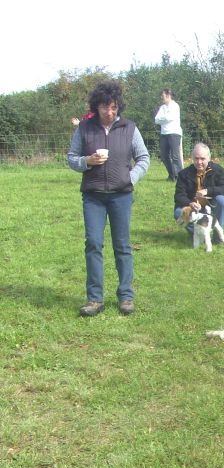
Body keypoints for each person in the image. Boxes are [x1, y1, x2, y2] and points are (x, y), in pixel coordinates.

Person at [67, 80, 150, 317]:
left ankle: (126, 296)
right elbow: (71, 158)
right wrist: (87, 161)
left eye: (114, 107)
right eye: (105, 107)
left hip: (121, 196)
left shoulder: (129, 128)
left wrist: (129, 178)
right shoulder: (84, 128)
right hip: (93, 196)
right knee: (93, 243)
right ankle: (94, 299)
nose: (110, 112)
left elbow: (144, 158)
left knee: (122, 245)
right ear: (97, 106)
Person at [174, 143, 224, 237]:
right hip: (194, 208)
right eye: (196, 158)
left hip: (211, 206)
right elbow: (179, 195)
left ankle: (218, 235)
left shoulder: (218, 170)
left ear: (209, 158)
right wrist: (190, 203)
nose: (199, 162)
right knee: (178, 213)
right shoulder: (183, 174)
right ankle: (199, 234)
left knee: (221, 200)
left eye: (202, 159)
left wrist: (208, 191)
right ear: (192, 158)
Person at [154, 88, 183, 181]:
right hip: (164, 134)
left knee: (175, 156)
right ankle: (172, 175)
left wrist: (162, 119)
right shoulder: (162, 107)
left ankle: (179, 177)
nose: (161, 97)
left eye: (162, 95)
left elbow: (169, 118)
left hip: (174, 133)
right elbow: (156, 120)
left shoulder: (175, 106)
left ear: (168, 95)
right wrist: (164, 118)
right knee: (164, 156)